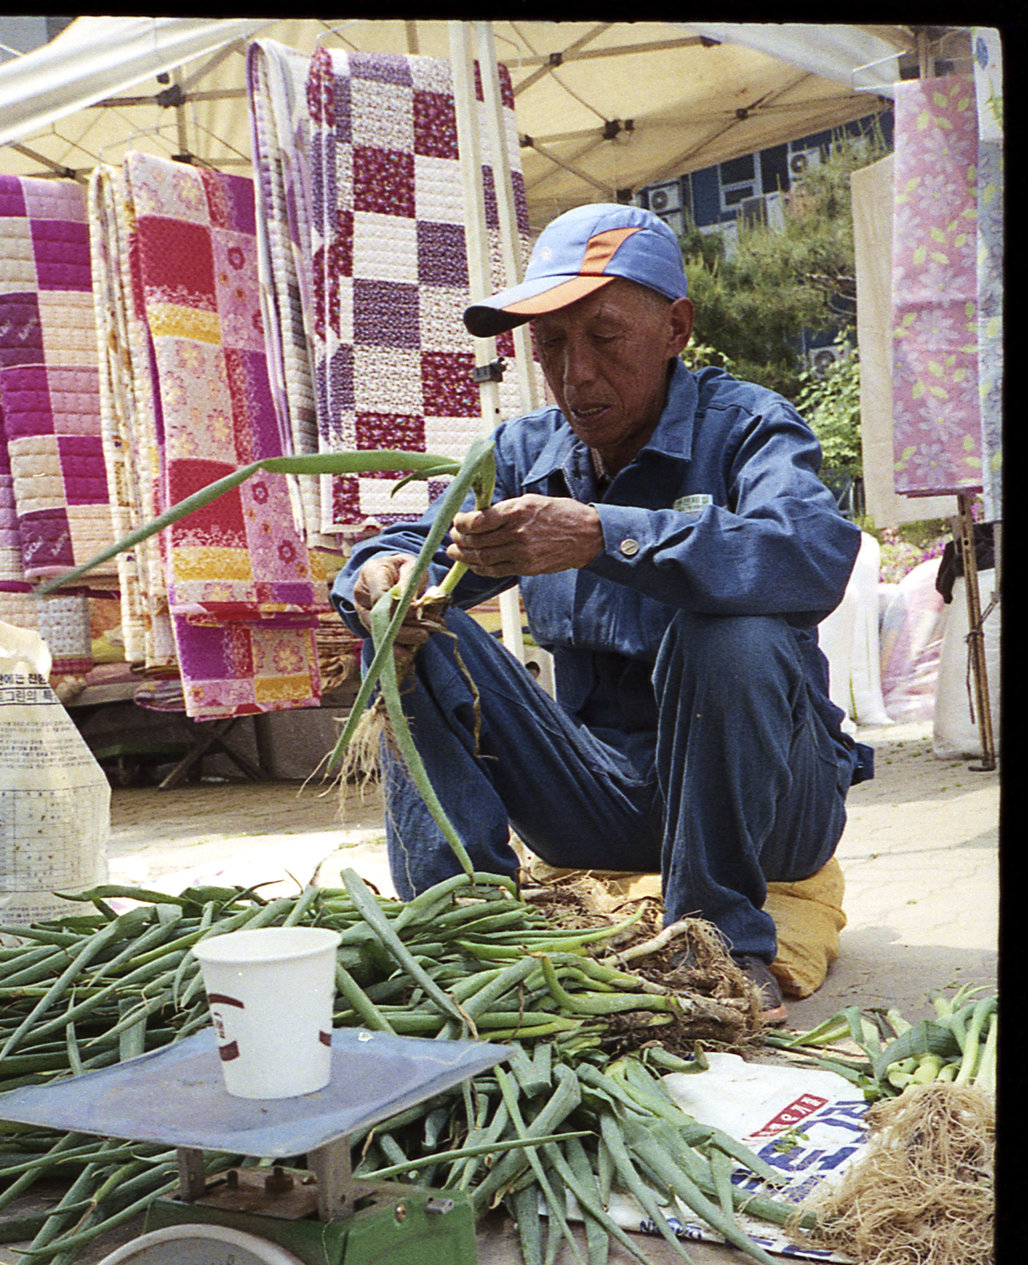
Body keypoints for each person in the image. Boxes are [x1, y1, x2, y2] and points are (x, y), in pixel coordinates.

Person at [330, 203, 873, 1023]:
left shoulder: (748, 427)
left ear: (676, 329)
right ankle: (456, 931)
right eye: (548, 344)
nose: (574, 372)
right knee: (416, 639)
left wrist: (607, 536)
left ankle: (718, 945)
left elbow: (810, 554)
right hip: (602, 803)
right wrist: (382, 581)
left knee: (731, 628)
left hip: (772, 813)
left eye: (604, 337)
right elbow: (410, 548)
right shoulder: (521, 456)